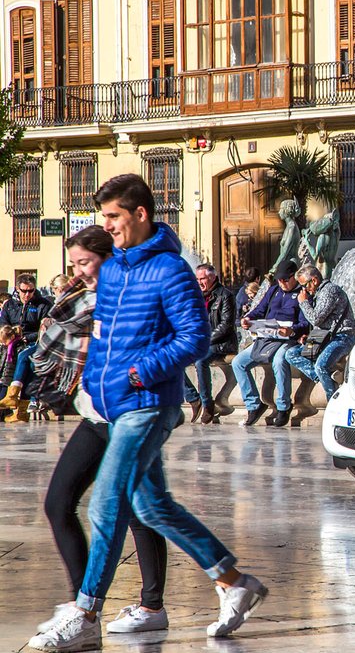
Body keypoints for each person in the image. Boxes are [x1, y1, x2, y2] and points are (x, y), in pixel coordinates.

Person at [29, 174, 268, 652]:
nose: (109, 226)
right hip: (114, 402)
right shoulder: (114, 269)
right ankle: (233, 581)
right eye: (105, 218)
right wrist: (97, 381)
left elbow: (194, 340)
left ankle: (86, 611)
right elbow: (102, 334)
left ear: (140, 214)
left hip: (148, 403)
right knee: (150, 505)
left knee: (105, 505)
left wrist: (135, 375)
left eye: (115, 216)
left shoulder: (172, 270)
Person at [31, 226, 172, 640]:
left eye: (85, 262)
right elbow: (54, 343)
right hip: (96, 415)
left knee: (139, 510)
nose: (78, 271)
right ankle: (83, 602)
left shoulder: (131, 294)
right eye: (73, 264)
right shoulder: (79, 298)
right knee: (59, 503)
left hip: (132, 414)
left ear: (109, 258)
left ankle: (144, 606)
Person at [234, 259, 310, 427]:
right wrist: (248, 318)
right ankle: (254, 405)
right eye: (279, 279)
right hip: (267, 337)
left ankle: (284, 406)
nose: (282, 283)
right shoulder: (274, 289)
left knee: (279, 360)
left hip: (288, 339)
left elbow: (306, 323)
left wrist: (292, 330)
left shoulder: (303, 294)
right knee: (237, 362)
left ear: (294, 277)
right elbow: (260, 309)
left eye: (285, 279)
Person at [284, 265, 355, 401]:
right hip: (323, 337)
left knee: (321, 366)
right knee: (291, 354)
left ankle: (333, 402)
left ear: (314, 280)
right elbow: (320, 323)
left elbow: (316, 318)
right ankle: (327, 380)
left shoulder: (330, 291)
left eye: (305, 285)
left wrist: (303, 302)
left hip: (342, 337)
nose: (303, 290)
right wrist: (309, 337)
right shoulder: (319, 293)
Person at [183, 264, 238, 424]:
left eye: (203, 279)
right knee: (174, 357)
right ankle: (194, 399)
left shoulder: (225, 295)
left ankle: (207, 405)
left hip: (221, 342)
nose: (199, 282)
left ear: (213, 277)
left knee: (201, 361)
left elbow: (226, 325)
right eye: (197, 279)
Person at [0, 273, 54, 413]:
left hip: (32, 342)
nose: (27, 294)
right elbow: (3, 323)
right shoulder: (10, 305)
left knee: (29, 360)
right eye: (24, 291)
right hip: (10, 342)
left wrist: (27, 337)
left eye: (31, 291)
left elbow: (45, 329)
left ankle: (22, 404)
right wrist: (10, 334)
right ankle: (6, 399)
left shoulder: (43, 304)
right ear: (17, 288)